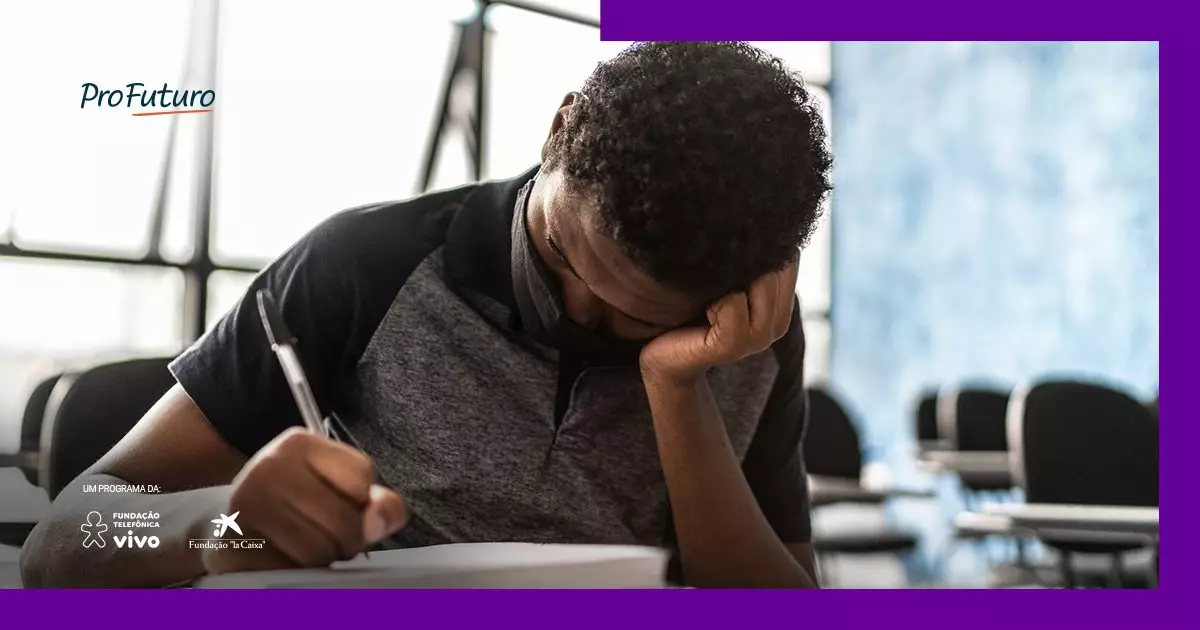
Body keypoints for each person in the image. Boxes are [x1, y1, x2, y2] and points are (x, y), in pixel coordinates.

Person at [21, 41, 833, 588]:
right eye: (559, 253)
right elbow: (63, 541)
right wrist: (211, 527)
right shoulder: (363, 265)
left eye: (639, 320)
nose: (575, 312)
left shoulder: (750, 332)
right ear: (557, 133)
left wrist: (678, 386)